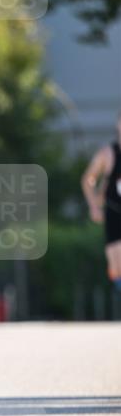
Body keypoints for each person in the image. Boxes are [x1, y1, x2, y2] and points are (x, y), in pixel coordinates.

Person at [81, 111, 121, 295]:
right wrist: (94, 206)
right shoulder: (108, 154)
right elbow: (88, 179)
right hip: (114, 213)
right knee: (116, 264)